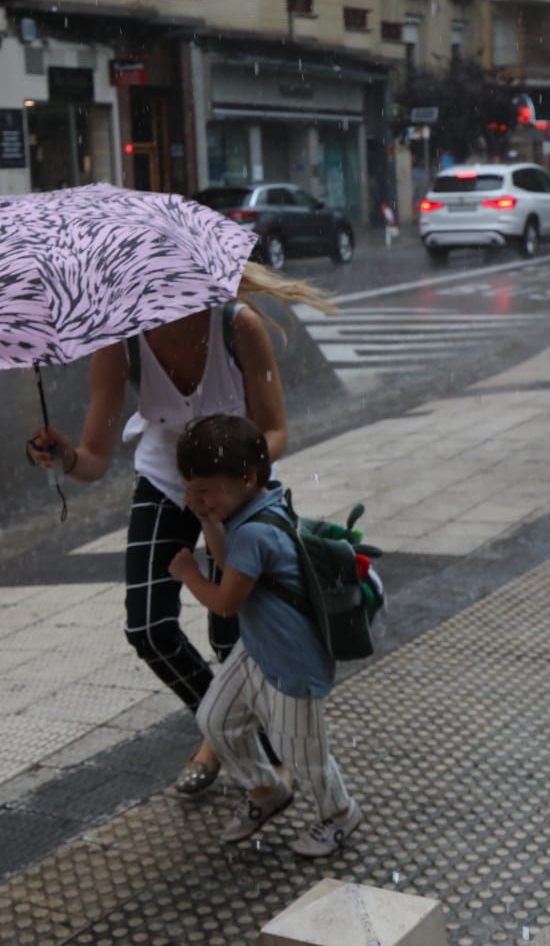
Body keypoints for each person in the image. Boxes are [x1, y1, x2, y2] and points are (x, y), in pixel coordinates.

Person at [25, 262, 335, 798]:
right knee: (148, 628)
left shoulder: (239, 326)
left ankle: (233, 746)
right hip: (167, 484)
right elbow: (96, 458)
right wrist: (65, 458)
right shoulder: (121, 343)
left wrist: (237, 478)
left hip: (243, 490)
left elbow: (277, 431)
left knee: (230, 632)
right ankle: (226, 734)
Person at [168, 414, 362, 858]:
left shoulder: (255, 530)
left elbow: (225, 601)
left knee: (305, 756)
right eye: (190, 487)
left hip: (292, 665)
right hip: (256, 650)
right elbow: (231, 559)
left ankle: (340, 813)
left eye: (204, 489)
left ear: (248, 477)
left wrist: (187, 573)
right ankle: (264, 789)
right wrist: (209, 520)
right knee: (216, 720)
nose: (194, 498)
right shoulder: (255, 506)